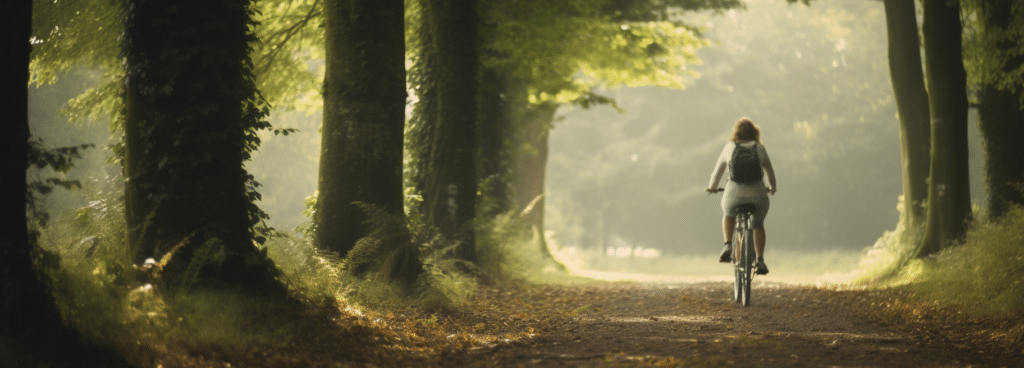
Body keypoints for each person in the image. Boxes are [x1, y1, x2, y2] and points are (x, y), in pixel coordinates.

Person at [705, 118, 777, 274]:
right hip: (758, 196)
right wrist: (772, 188)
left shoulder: (729, 147)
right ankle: (760, 261)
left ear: (735, 132)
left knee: (728, 214)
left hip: (733, 196)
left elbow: (717, 172)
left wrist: (712, 187)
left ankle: (728, 245)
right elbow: (770, 173)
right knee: (758, 225)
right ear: (755, 132)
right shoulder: (760, 148)